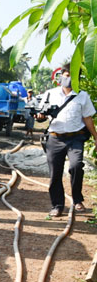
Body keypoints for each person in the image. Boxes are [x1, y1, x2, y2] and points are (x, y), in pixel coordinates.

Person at [36, 64, 97, 217]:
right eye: (66, 74)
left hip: (75, 138)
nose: (68, 78)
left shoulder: (82, 96)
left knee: (76, 166)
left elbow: (88, 118)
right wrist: (40, 116)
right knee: (55, 173)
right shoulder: (50, 94)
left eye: (72, 75)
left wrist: (96, 137)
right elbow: (40, 114)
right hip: (54, 138)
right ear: (61, 75)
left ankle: (77, 199)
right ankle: (57, 205)